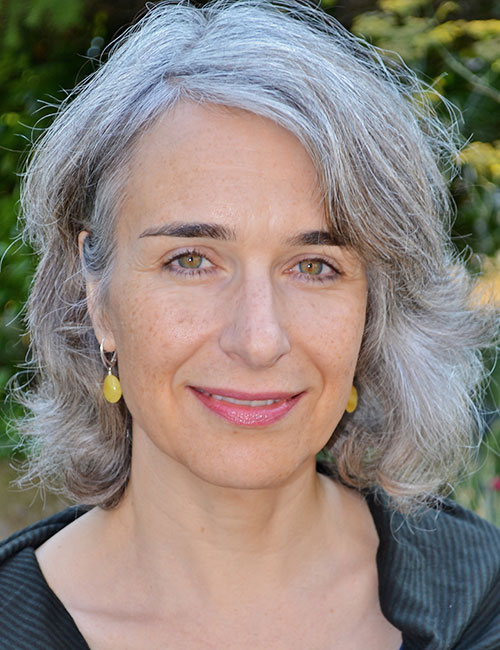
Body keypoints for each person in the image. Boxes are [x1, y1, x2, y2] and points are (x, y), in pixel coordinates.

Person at [1, 1, 499, 648]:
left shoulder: (482, 604)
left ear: (373, 305)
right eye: (190, 260)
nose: (259, 339)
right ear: (96, 294)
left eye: (315, 266)